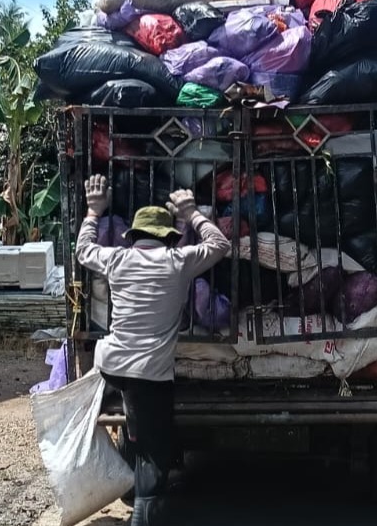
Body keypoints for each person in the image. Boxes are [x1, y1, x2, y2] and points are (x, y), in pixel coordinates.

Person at [75, 174, 230, 526]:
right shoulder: (178, 262)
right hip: (148, 375)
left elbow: (83, 251)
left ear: (135, 236)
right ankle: (144, 510)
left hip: (110, 367)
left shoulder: (117, 259)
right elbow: (220, 244)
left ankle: (129, 447)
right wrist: (192, 212)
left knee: (135, 427)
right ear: (168, 237)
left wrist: (93, 210)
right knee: (154, 453)